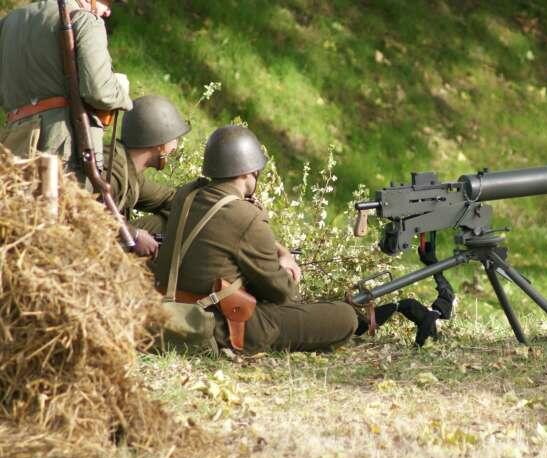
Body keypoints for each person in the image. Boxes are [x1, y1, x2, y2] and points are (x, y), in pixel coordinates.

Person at [154, 125, 358, 353]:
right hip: (219, 326)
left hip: (171, 310)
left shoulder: (187, 194)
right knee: (345, 317)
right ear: (248, 171)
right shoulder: (247, 216)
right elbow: (280, 292)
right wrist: (287, 266)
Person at [0, 0, 131, 171]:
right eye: (106, 2)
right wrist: (123, 95)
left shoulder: (8, 23)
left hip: (13, 144)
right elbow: (99, 92)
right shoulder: (85, 20)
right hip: (62, 146)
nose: (108, 12)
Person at [105, 95, 190, 257]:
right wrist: (134, 235)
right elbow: (93, 212)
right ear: (160, 144)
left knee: (169, 222)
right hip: (88, 250)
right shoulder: (112, 170)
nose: (175, 147)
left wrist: (205, 201)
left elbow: (170, 199)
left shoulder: (129, 169)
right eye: (175, 139)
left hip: (104, 242)